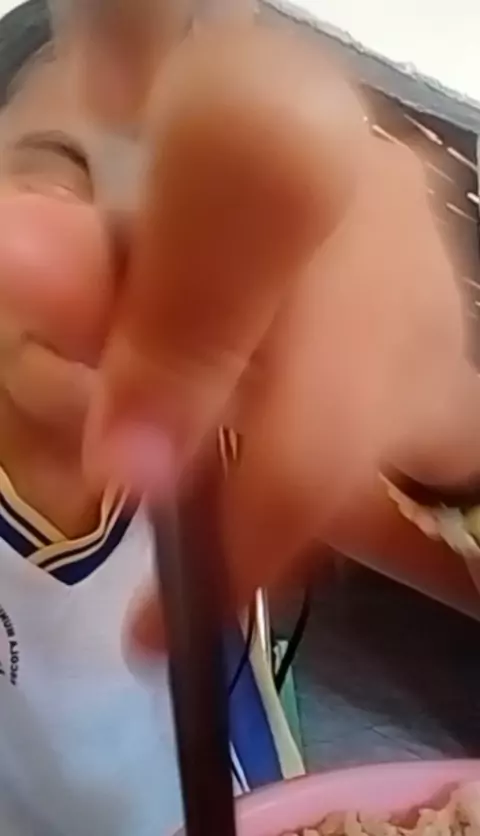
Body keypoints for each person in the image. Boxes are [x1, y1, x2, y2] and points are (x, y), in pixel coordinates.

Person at [0, 2, 304, 835]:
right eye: (55, 180)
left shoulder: (230, 430)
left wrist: (449, 452)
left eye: (185, 214)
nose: (116, 258)